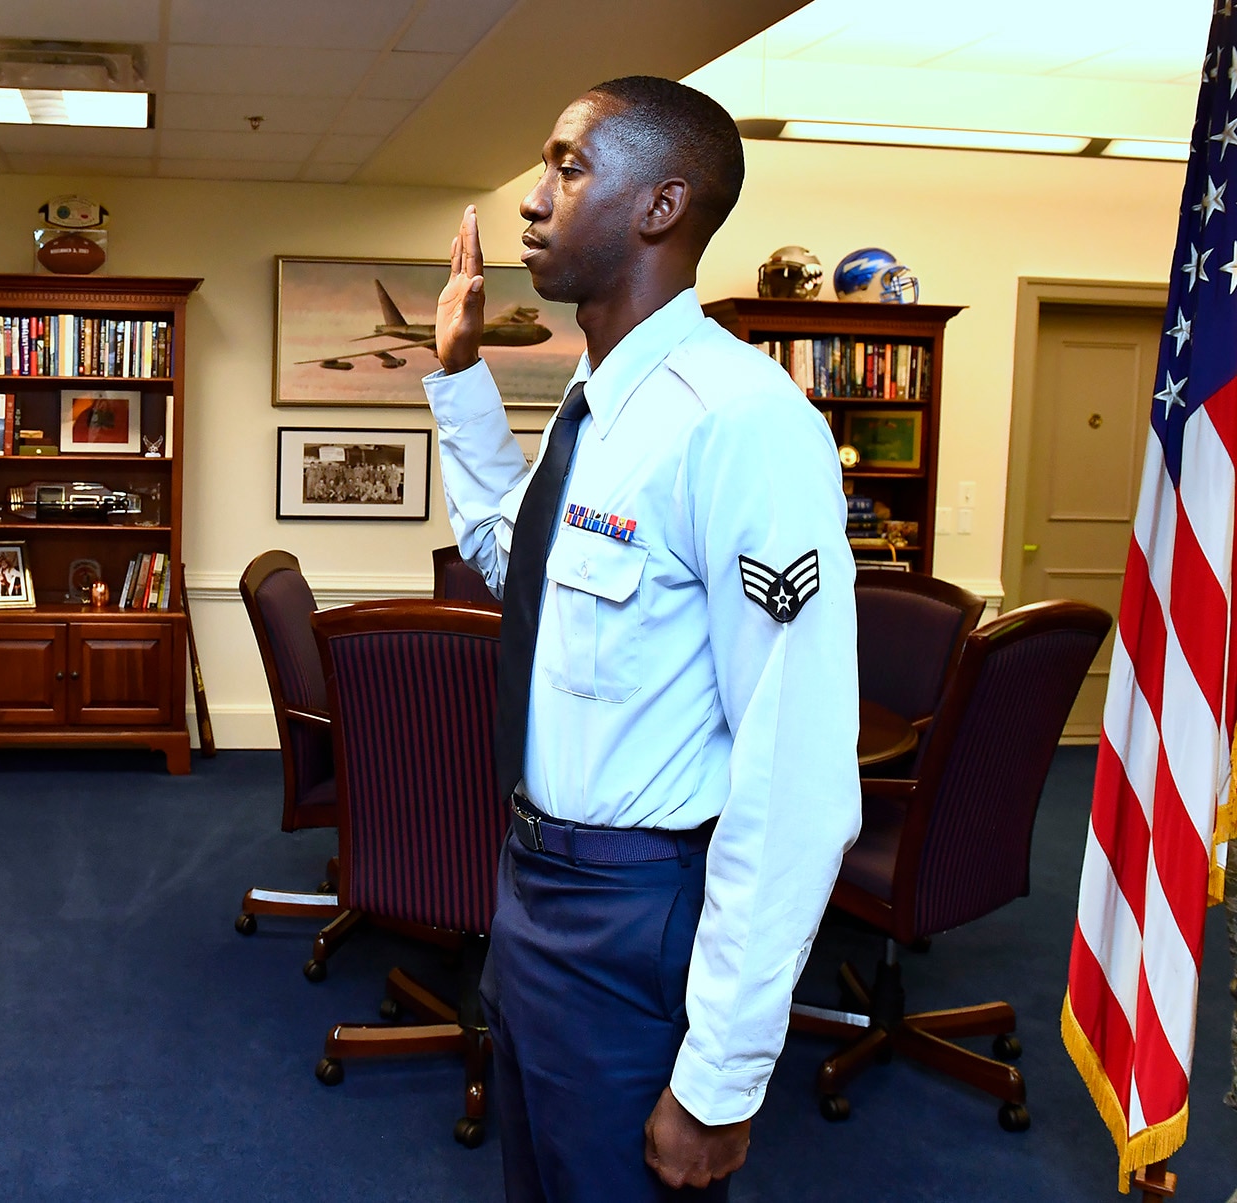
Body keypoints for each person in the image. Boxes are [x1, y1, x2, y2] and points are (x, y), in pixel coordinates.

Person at [424, 77, 860, 1200]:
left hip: (634, 914)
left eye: (567, 167)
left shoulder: (740, 423)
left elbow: (796, 776)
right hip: (531, 883)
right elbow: (514, 571)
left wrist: (718, 1079)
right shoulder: (600, 398)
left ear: (660, 205)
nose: (530, 197)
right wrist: (460, 378)